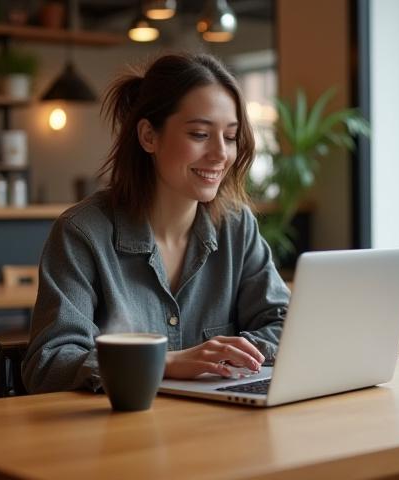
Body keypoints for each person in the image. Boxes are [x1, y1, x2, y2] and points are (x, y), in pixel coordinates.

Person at [22, 53, 290, 393]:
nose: (221, 154)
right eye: (199, 134)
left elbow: (285, 324)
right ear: (149, 136)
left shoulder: (237, 227)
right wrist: (166, 362)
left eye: (231, 136)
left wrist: (233, 353)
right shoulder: (83, 232)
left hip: (218, 432)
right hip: (117, 438)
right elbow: (50, 363)